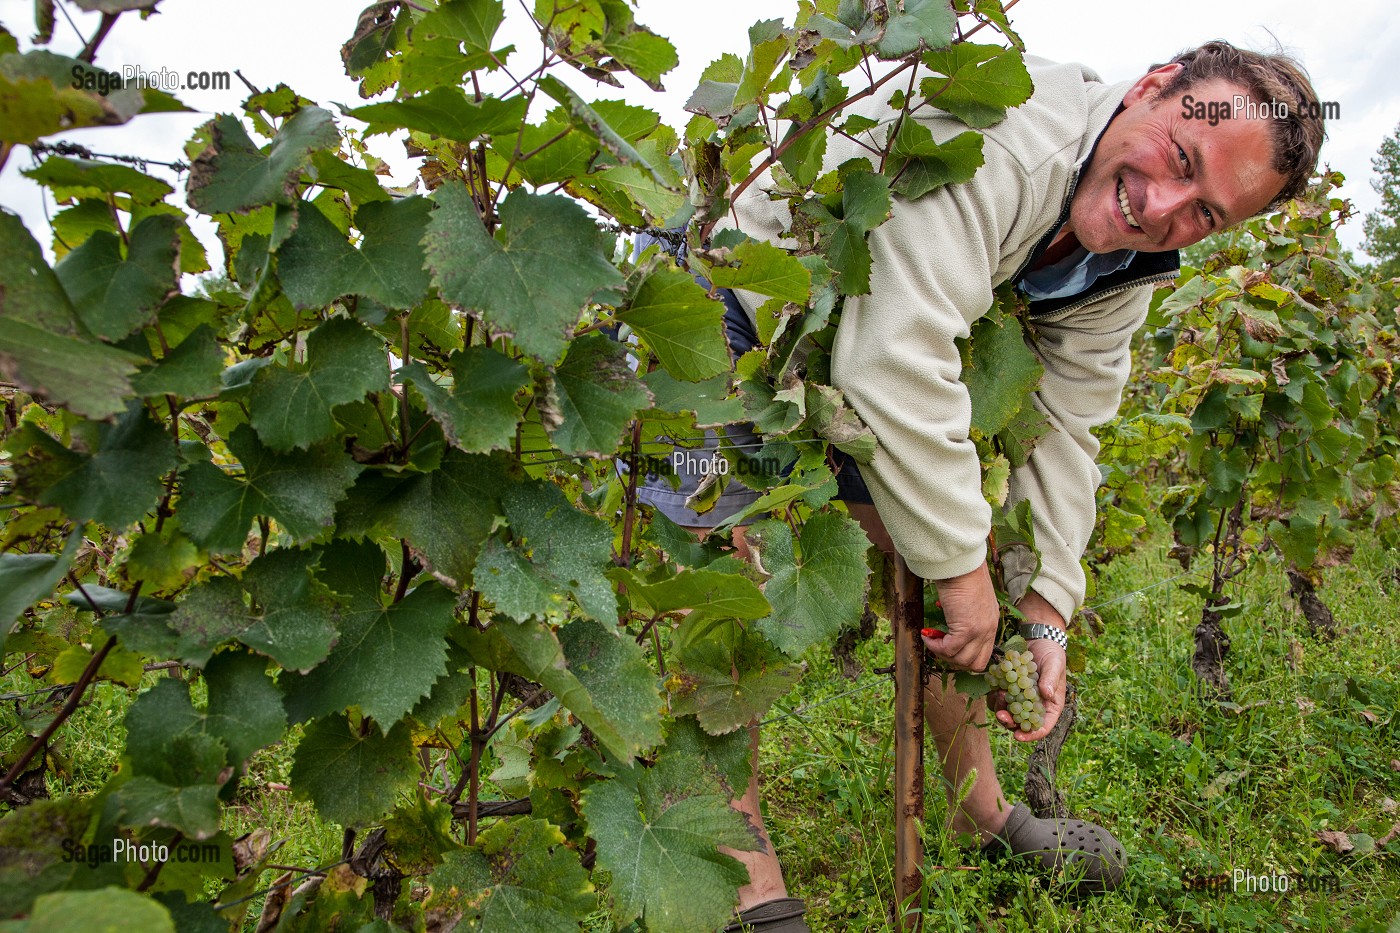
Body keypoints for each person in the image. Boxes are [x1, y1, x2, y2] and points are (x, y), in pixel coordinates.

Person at [637, 40, 1326, 932]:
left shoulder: (1128, 265)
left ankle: (978, 811)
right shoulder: (1014, 137)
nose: (1163, 209)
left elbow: (1068, 425)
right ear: (1156, 87)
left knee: (968, 581)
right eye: (1180, 160)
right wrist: (958, 562)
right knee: (716, 589)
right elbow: (897, 350)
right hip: (720, 297)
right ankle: (741, 887)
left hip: (843, 341)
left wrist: (1044, 605)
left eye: (1206, 213)